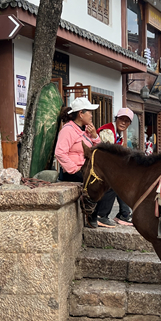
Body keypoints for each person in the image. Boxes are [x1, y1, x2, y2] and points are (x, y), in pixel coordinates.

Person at [54, 97, 101, 227]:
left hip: (85, 169)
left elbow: (98, 150)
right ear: (81, 114)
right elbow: (60, 152)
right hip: (73, 172)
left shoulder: (85, 131)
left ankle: (100, 215)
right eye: (89, 112)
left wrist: (95, 136)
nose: (91, 115)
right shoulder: (68, 130)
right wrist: (74, 169)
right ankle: (92, 216)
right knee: (96, 183)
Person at [96, 108, 134, 226]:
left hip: (105, 166)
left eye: (126, 121)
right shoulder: (107, 131)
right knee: (115, 182)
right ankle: (102, 215)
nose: (123, 123)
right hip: (98, 165)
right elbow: (108, 155)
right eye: (121, 119)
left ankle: (124, 213)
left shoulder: (118, 134)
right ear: (116, 119)